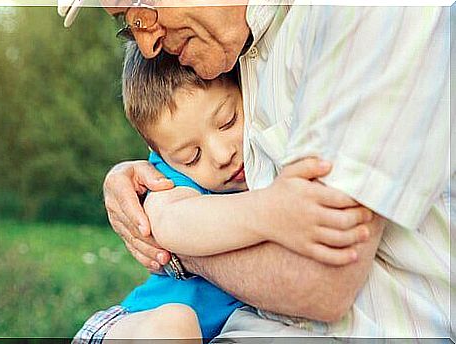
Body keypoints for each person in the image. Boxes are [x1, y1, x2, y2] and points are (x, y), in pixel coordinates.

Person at [60, 1, 451, 339]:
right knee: (171, 326)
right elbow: (171, 201)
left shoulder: (348, 19)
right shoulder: (233, 48)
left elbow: (320, 282)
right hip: (147, 324)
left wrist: (172, 243)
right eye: (127, 25)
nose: (147, 45)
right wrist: (156, 211)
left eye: (141, 7)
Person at [74, 41, 371, 342]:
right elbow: (170, 222)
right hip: (134, 325)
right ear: (160, 154)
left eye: (228, 121)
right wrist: (271, 210)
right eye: (192, 155)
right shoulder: (168, 179)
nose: (221, 155)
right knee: (175, 325)